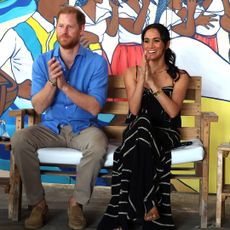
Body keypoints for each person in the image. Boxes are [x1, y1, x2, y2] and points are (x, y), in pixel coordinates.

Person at [11, 5, 108, 230]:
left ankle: (76, 204)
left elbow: (94, 108)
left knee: (98, 143)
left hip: (82, 127)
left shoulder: (96, 63)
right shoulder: (43, 61)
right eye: (60, 26)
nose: (64, 31)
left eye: (70, 27)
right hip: (51, 128)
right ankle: (38, 204)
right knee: (19, 139)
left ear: (81, 29)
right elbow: (38, 106)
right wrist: (53, 82)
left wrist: (65, 86)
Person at [97, 23, 190, 230]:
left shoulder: (180, 77)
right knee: (141, 124)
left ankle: (123, 217)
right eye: (146, 41)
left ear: (166, 44)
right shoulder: (131, 72)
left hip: (165, 133)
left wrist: (154, 84)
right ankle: (149, 203)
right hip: (138, 132)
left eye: (156, 40)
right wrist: (142, 80)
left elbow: (173, 112)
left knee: (137, 137)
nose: (150, 45)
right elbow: (135, 109)